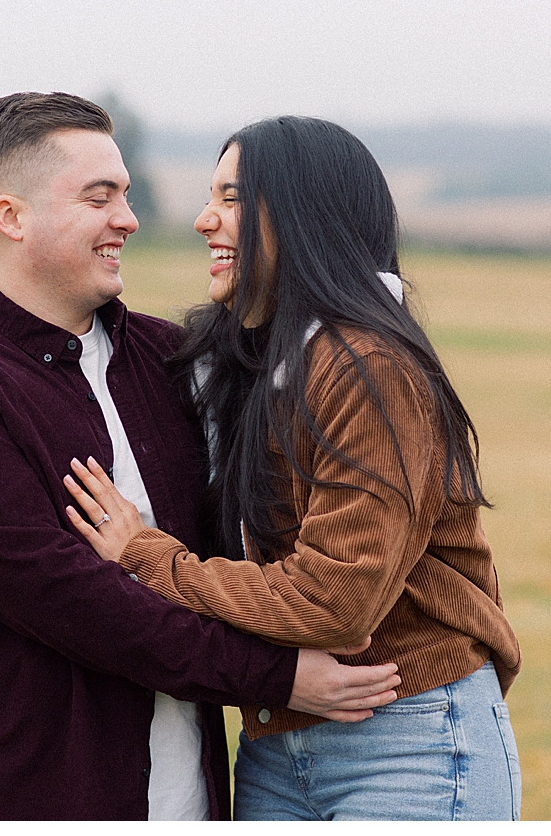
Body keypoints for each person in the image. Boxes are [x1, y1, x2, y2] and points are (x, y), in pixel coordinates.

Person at [0, 94, 401, 820]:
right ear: (11, 217)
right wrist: (274, 674)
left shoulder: (172, 358)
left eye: (124, 192)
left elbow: (255, 539)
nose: (129, 217)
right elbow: (63, 597)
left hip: (188, 801)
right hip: (4, 796)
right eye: (100, 197)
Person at [63, 116, 524, 821]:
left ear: (308, 216)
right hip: (277, 746)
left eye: (234, 196)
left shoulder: (369, 366)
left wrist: (148, 556)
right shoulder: (255, 358)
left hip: (408, 745)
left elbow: (336, 603)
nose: (203, 218)